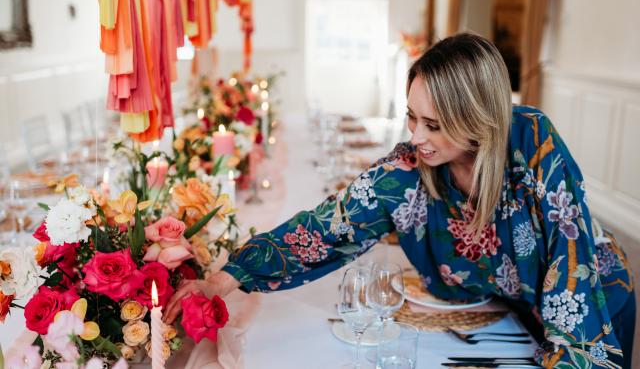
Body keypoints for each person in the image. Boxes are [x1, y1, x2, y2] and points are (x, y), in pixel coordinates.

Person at [165, 33, 636, 369]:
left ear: (476, 118)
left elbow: (570, 263)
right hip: (510, 305)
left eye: (434, 124)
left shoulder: (533, 142)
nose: (417, 138)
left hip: (590, 300)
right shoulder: (409, 168)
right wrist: (226, 279)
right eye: (412, 118)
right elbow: (325, 227)